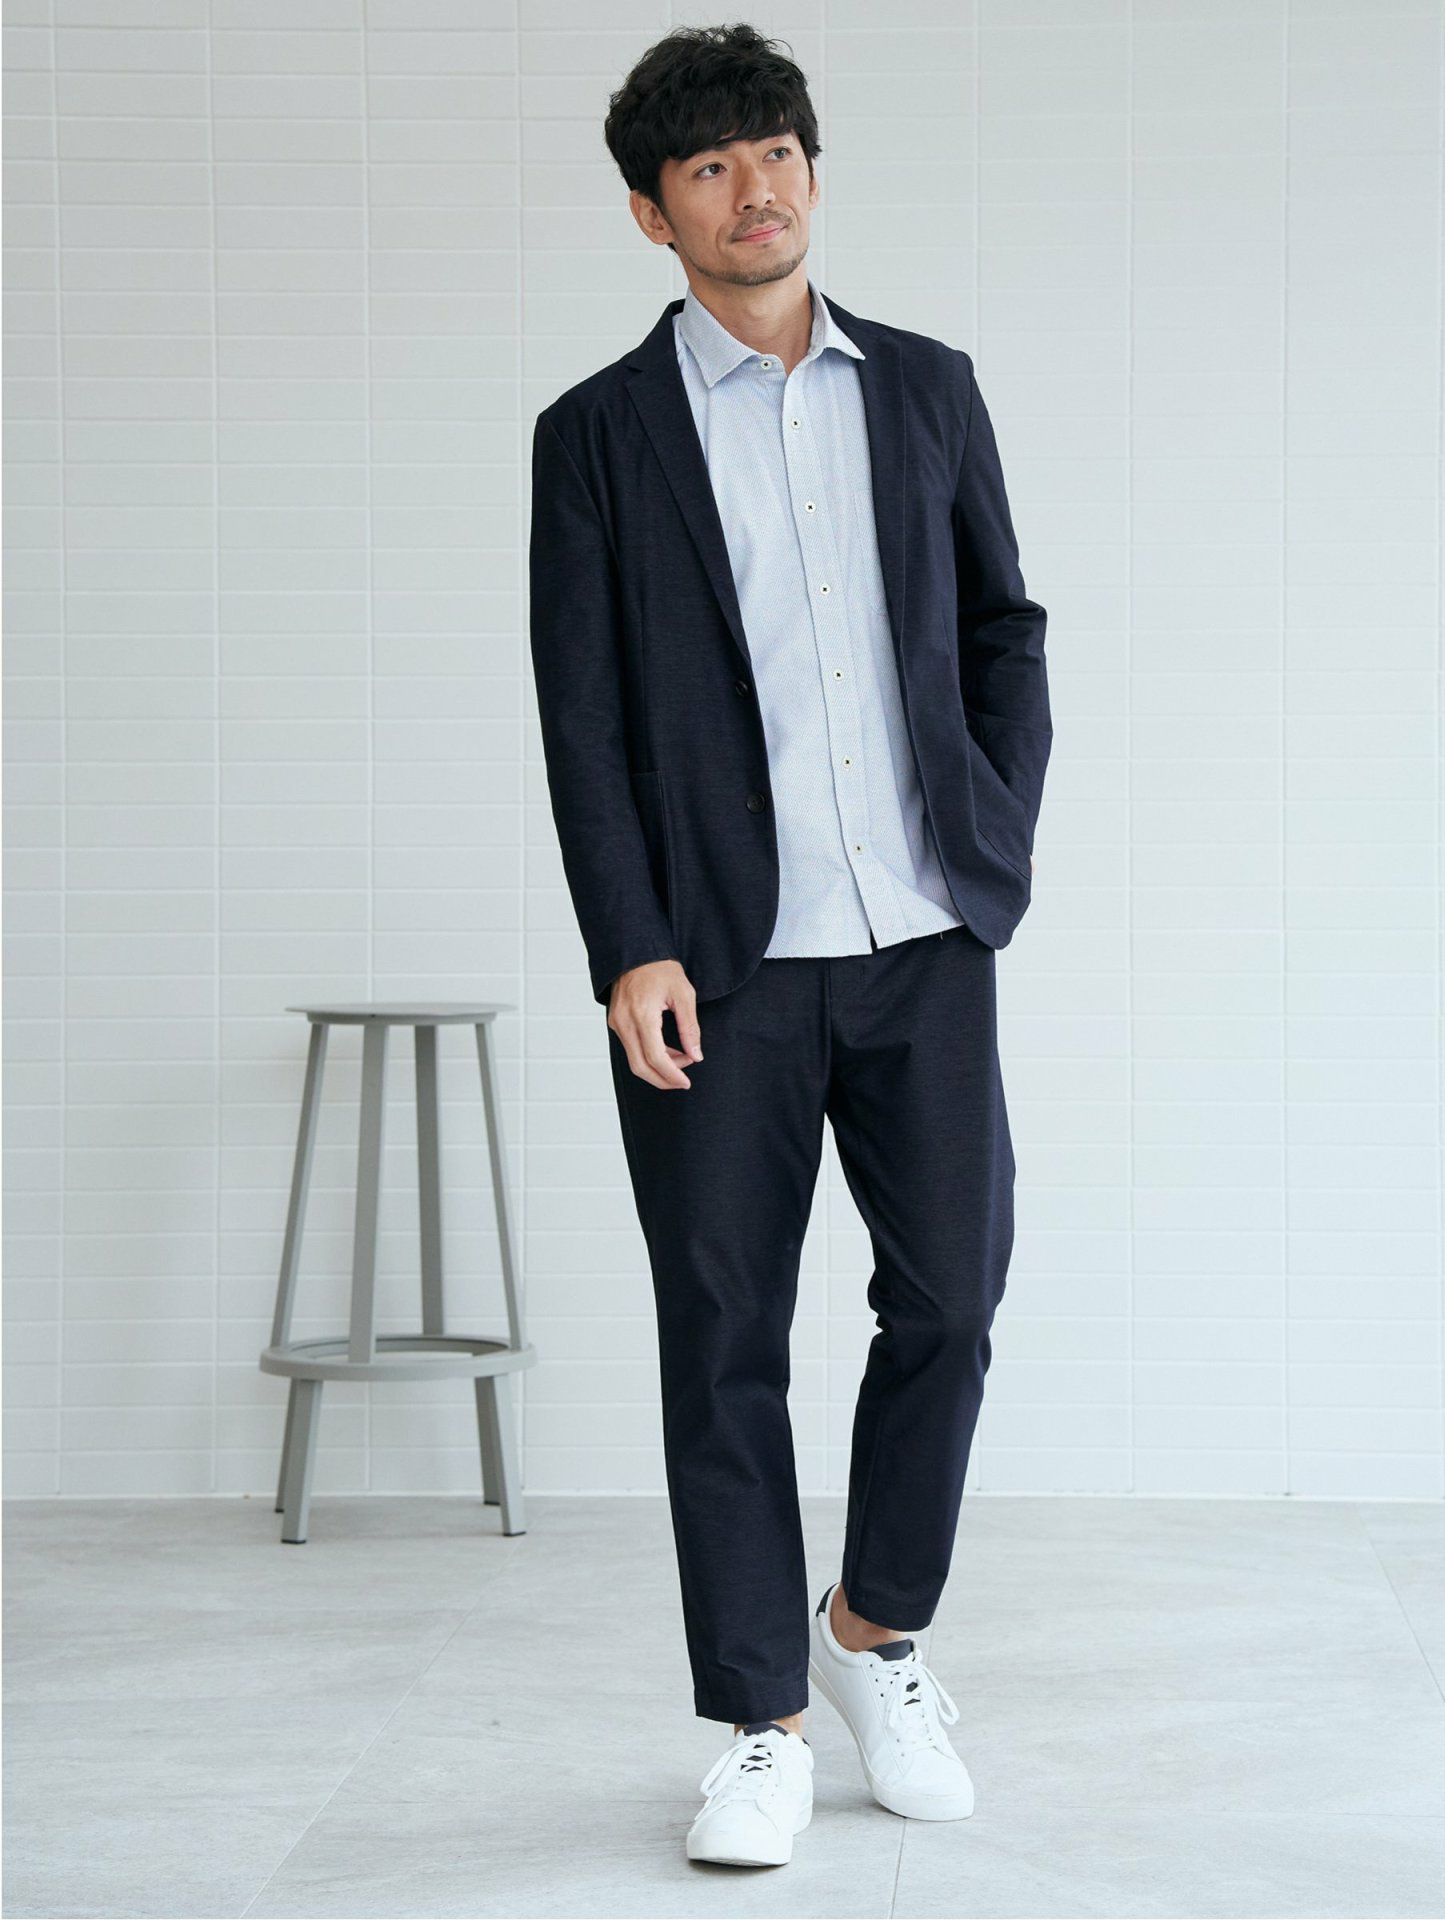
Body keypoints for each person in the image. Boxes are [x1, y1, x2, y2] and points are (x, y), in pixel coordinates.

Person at [527, 21, 1051, 1869]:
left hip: (924, 938)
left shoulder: (927, 389)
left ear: (812, 171)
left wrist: (993, 840)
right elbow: (584, 714)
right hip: (717, 972)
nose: (752, 190)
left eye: (774, 152)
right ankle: (757, 1720)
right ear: (653, 214)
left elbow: (1002, 629)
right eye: (708, 167)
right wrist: (631, 945)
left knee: (954, 1299)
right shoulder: (597, 436)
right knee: (724, 1335)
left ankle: (873, 1636)